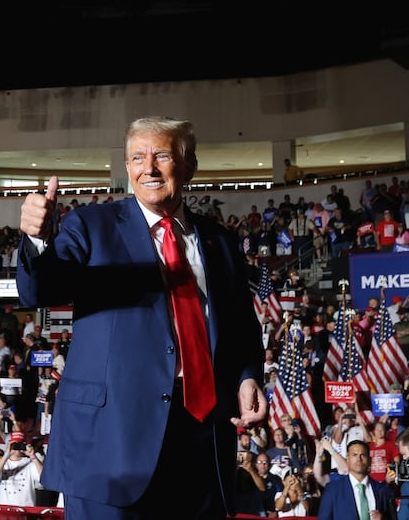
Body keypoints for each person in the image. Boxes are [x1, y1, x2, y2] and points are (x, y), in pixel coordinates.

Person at [17, 117, 267, 518]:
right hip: (110, 443)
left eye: (162, 156)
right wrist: (36, 238)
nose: (148, 168)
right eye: (137, 157)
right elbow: (39, 290)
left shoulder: (220, 241)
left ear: (188, 167)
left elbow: (240, 324)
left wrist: (247, 375)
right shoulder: (90, 225)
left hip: (202, 440)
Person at [317, 440, 393, 520]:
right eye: (354, 455)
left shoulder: (382, 491)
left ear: (369, 460)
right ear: (348, 459)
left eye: (363, 455)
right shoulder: (333, 489)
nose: (358, 459)